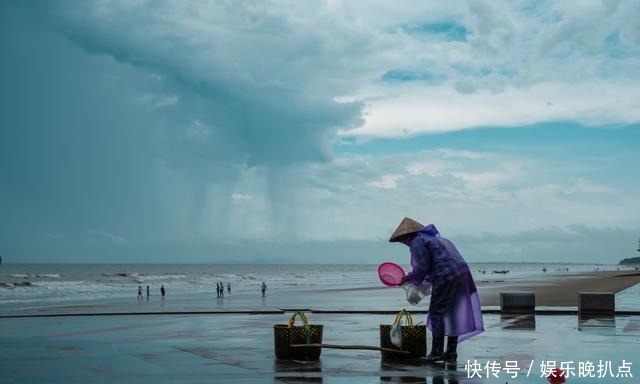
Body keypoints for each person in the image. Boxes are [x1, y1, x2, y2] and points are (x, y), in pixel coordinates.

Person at [390, 217, 484, 363]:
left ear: (404, 236)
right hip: (462, 274)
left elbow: (422, 266)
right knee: (453, 313)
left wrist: (409, 277)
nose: (403, 243)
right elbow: (437, 262)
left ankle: (437, 352)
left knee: (437, 313)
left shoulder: (416, 241)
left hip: (446, 277)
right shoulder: (436, 239)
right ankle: (451, 352)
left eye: (402, 240)